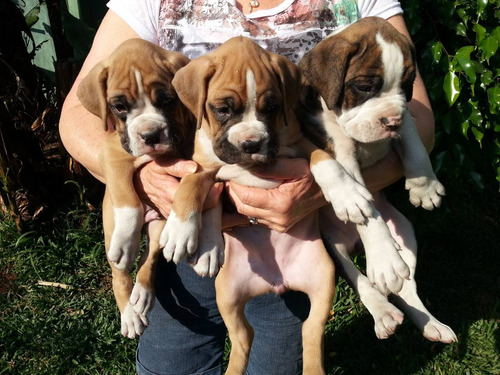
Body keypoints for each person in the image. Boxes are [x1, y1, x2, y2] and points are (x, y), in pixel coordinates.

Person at [59, 1, 436, 374]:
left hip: (294, 237)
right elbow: (77, 119)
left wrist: (314, 192)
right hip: (185, 242)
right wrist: (143, 179)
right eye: (224, 108)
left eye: (271, 107)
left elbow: (414, 119)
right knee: (170, 363)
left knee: (275, 362)